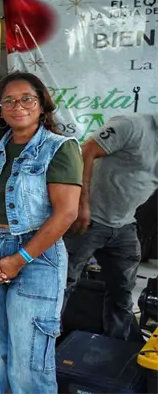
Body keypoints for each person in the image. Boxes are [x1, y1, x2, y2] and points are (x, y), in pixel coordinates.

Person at [0, 72, 82, 393]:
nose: (19, 106)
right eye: (9, 101)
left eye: (27, 98)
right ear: (0, 110)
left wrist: (20, 258)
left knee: (29, 361)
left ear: (42, 104)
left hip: (36, 257)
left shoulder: (60, 148)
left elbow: (66, 213)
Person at [63, 112, 158, 341]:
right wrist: (81, 203)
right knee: (61, 285)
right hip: (89, 220)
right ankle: (44, 349)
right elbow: (86, 150)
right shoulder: (132, 125)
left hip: (125, 224)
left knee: (122, 293)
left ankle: (116, 352)